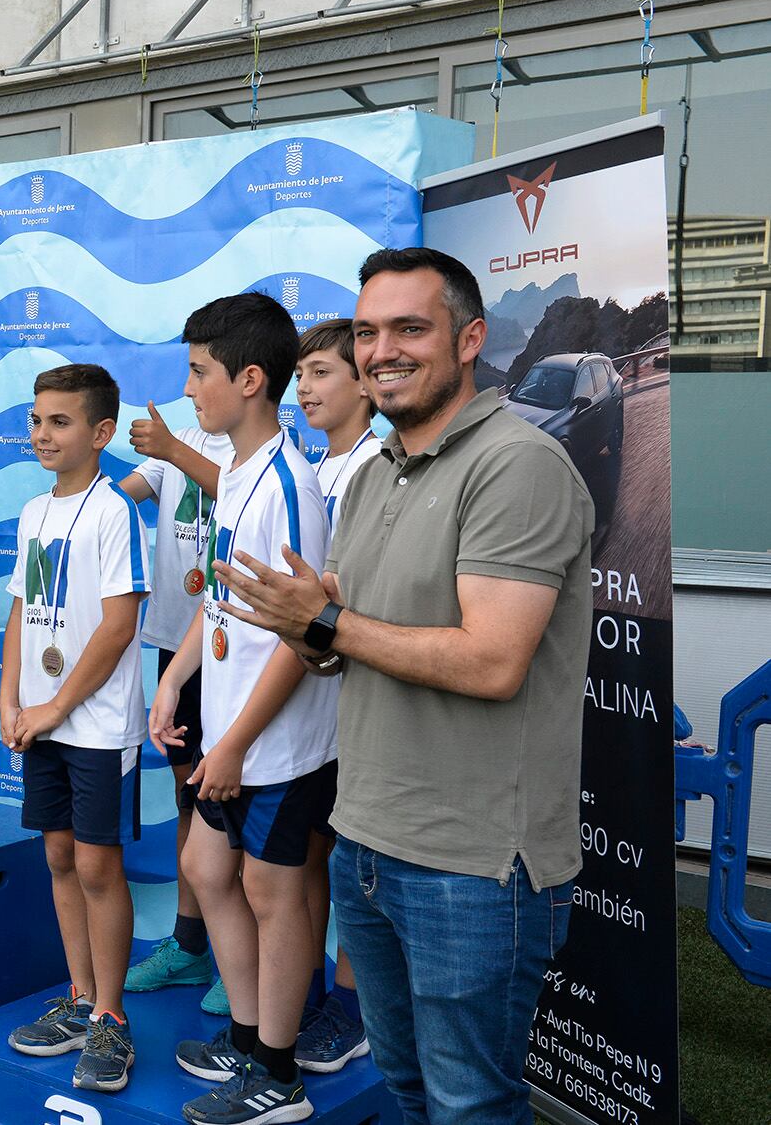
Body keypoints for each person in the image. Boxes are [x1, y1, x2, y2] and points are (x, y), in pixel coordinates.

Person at [213, 249, 594, 1125]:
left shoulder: (517, 464)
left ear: (469, 339)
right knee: (409, 1089)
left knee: (470, 1104)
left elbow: (493, 661)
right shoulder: (375, 471)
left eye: (409, 328)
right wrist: (302, 628)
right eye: (367, 331)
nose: (383, 349)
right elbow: (340, 644)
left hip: (477, 864)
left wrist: (326, 625)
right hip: (367, 841)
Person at [152, 292, 336, 1125]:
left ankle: (278, 1073)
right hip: (230, 730)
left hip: (278, 743)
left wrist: (235, 745)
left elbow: (307, 637)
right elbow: (221, 601)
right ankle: (249, 1034)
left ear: (250, 378)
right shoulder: (236, 474)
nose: (189, 389)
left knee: (270, 888)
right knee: (203, 869)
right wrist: (174, 676)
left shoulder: (290, 485)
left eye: (199, 371)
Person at [1, 364, 148, 1093]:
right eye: (35, 419)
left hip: (94, 724)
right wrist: (10, 697)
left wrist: (55, 707)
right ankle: (81, 996)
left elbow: (120, 625)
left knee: (96, 865)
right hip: (42, 718)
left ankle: (112, 1021)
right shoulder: (34, 513)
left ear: (101, 433)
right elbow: (22, 610)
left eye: (59, 421)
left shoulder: (114, 509)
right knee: (59, 855)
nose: (41, 433)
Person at [278, 317, 377, 1077]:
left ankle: (351, 1010)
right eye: (301, 374)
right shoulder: (317, 465)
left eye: (321, 373)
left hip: (360, 711)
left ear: (364, 379)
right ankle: (313, 999)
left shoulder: (374, 463)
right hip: (317, 704)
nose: (304, 389)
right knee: (311, 858)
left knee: (346, 863)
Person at [116, 391, 228, 1012]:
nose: (189, 387)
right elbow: (119, 496)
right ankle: (189, 946)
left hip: (235, 653)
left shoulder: (261, 454)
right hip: (175, 649)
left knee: (229, 803)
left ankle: (239, 957)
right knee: (191, 797)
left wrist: (174, 451)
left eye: (201, 370)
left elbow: (234, 492)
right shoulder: (177, 443)